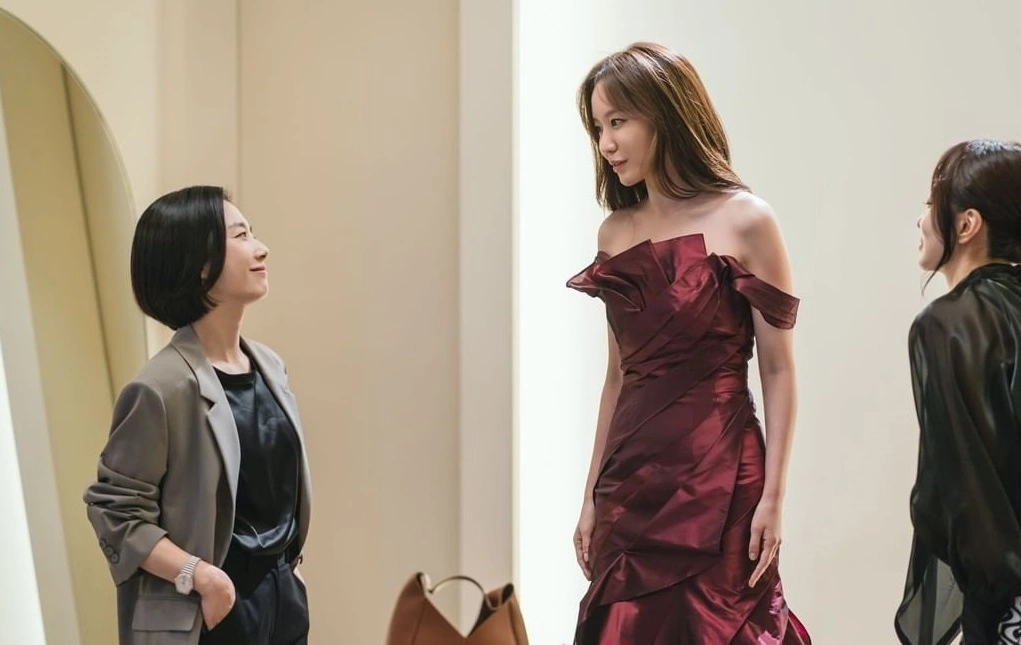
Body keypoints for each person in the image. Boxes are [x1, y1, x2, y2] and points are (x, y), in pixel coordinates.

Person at [566, 42, 811, 644]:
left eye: (618, 121)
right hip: (630, 481)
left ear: (665, 114)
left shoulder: (747, 219)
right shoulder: (614, 232)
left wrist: (774, 497)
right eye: (598, 128)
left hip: (723, 474)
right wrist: (591, 494)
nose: (606, 144)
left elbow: (778, 371)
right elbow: (618, 377)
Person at [83, 186, 313, 645]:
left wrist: (289, 574)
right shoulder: (160, 388)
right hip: (209, 616)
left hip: (282, 604)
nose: (261, 248)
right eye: (242, 236)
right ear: (202, 265)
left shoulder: (270, 367)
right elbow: (115, 511)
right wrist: (200, 576)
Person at [895, 140, 1021, 645]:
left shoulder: (946, 325)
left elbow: (968, 490)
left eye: (932, 203)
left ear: (967, 224)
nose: (921, 219)